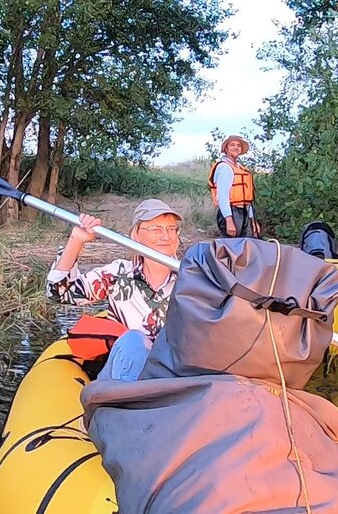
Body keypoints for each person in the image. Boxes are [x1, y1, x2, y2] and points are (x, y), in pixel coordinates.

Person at [46, 199, 183, 379]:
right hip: (121, 372)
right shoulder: (117, 273)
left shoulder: (190, 278)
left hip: (169, 376)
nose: (166, 236)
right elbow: (58, 293)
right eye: (156, 229)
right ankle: (130, 403)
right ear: (136, 235)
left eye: (171, 229)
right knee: (134, 340)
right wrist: (76, 240)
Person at [207, 135, 260, 239]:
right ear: (226, 148)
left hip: (244, 211)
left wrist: (253, 221)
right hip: (231, 212)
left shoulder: (241, 168)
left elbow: (247, 200)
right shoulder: (224, 167)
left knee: (244, 248)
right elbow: (222, 196)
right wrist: (229, 220)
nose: (236, 147)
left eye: (238, 145)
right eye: (232, 145)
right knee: (231, 248)